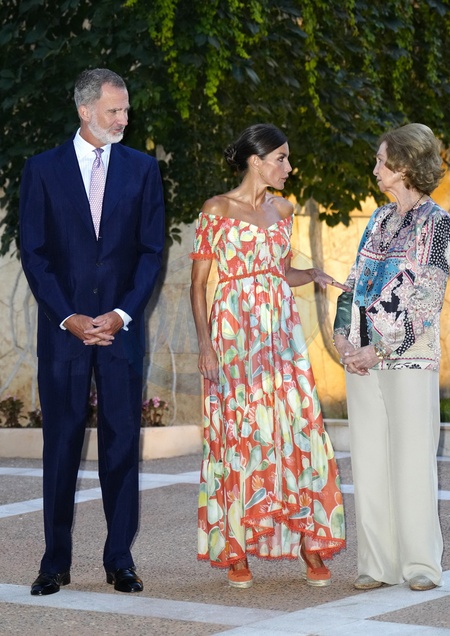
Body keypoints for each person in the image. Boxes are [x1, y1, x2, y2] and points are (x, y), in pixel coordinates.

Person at [20, 68, 165, 595]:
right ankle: (54, 561)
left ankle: (119, 559)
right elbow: (34, 253)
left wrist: (122, 314)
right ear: (85, 111)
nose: (124, 119)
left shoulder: (143, 169)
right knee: (61, 445)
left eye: (125, 110)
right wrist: (68, 316)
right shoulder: (41, 169)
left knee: (122, 444)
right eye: (114, 110)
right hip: (64, 334)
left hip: (121, 333)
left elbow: (151, 252)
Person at [190, 123, 347, 589]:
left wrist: (312, 274)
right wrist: (205, 345)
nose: (288, 167)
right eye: (281, 158)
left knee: (295, 426)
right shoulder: (216, 209)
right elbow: (198, 286)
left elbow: (280, 273)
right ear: (256, 162)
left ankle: (308, 541)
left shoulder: (284, 209)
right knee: (240, 428)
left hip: (281, 336)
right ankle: (236, 546)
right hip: (234, 334)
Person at [333, 123, 449, 592]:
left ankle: (420, 564)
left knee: (412, 460)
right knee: (369, 462)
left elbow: (427, 297)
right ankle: (376, 564)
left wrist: (377, 349)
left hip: (407, 359)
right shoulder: (379, 219)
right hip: (361, 359)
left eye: (382, 161)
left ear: (404, 166)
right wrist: (342, 338)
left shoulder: (437, 223)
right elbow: (353, 281)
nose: (376, 168)